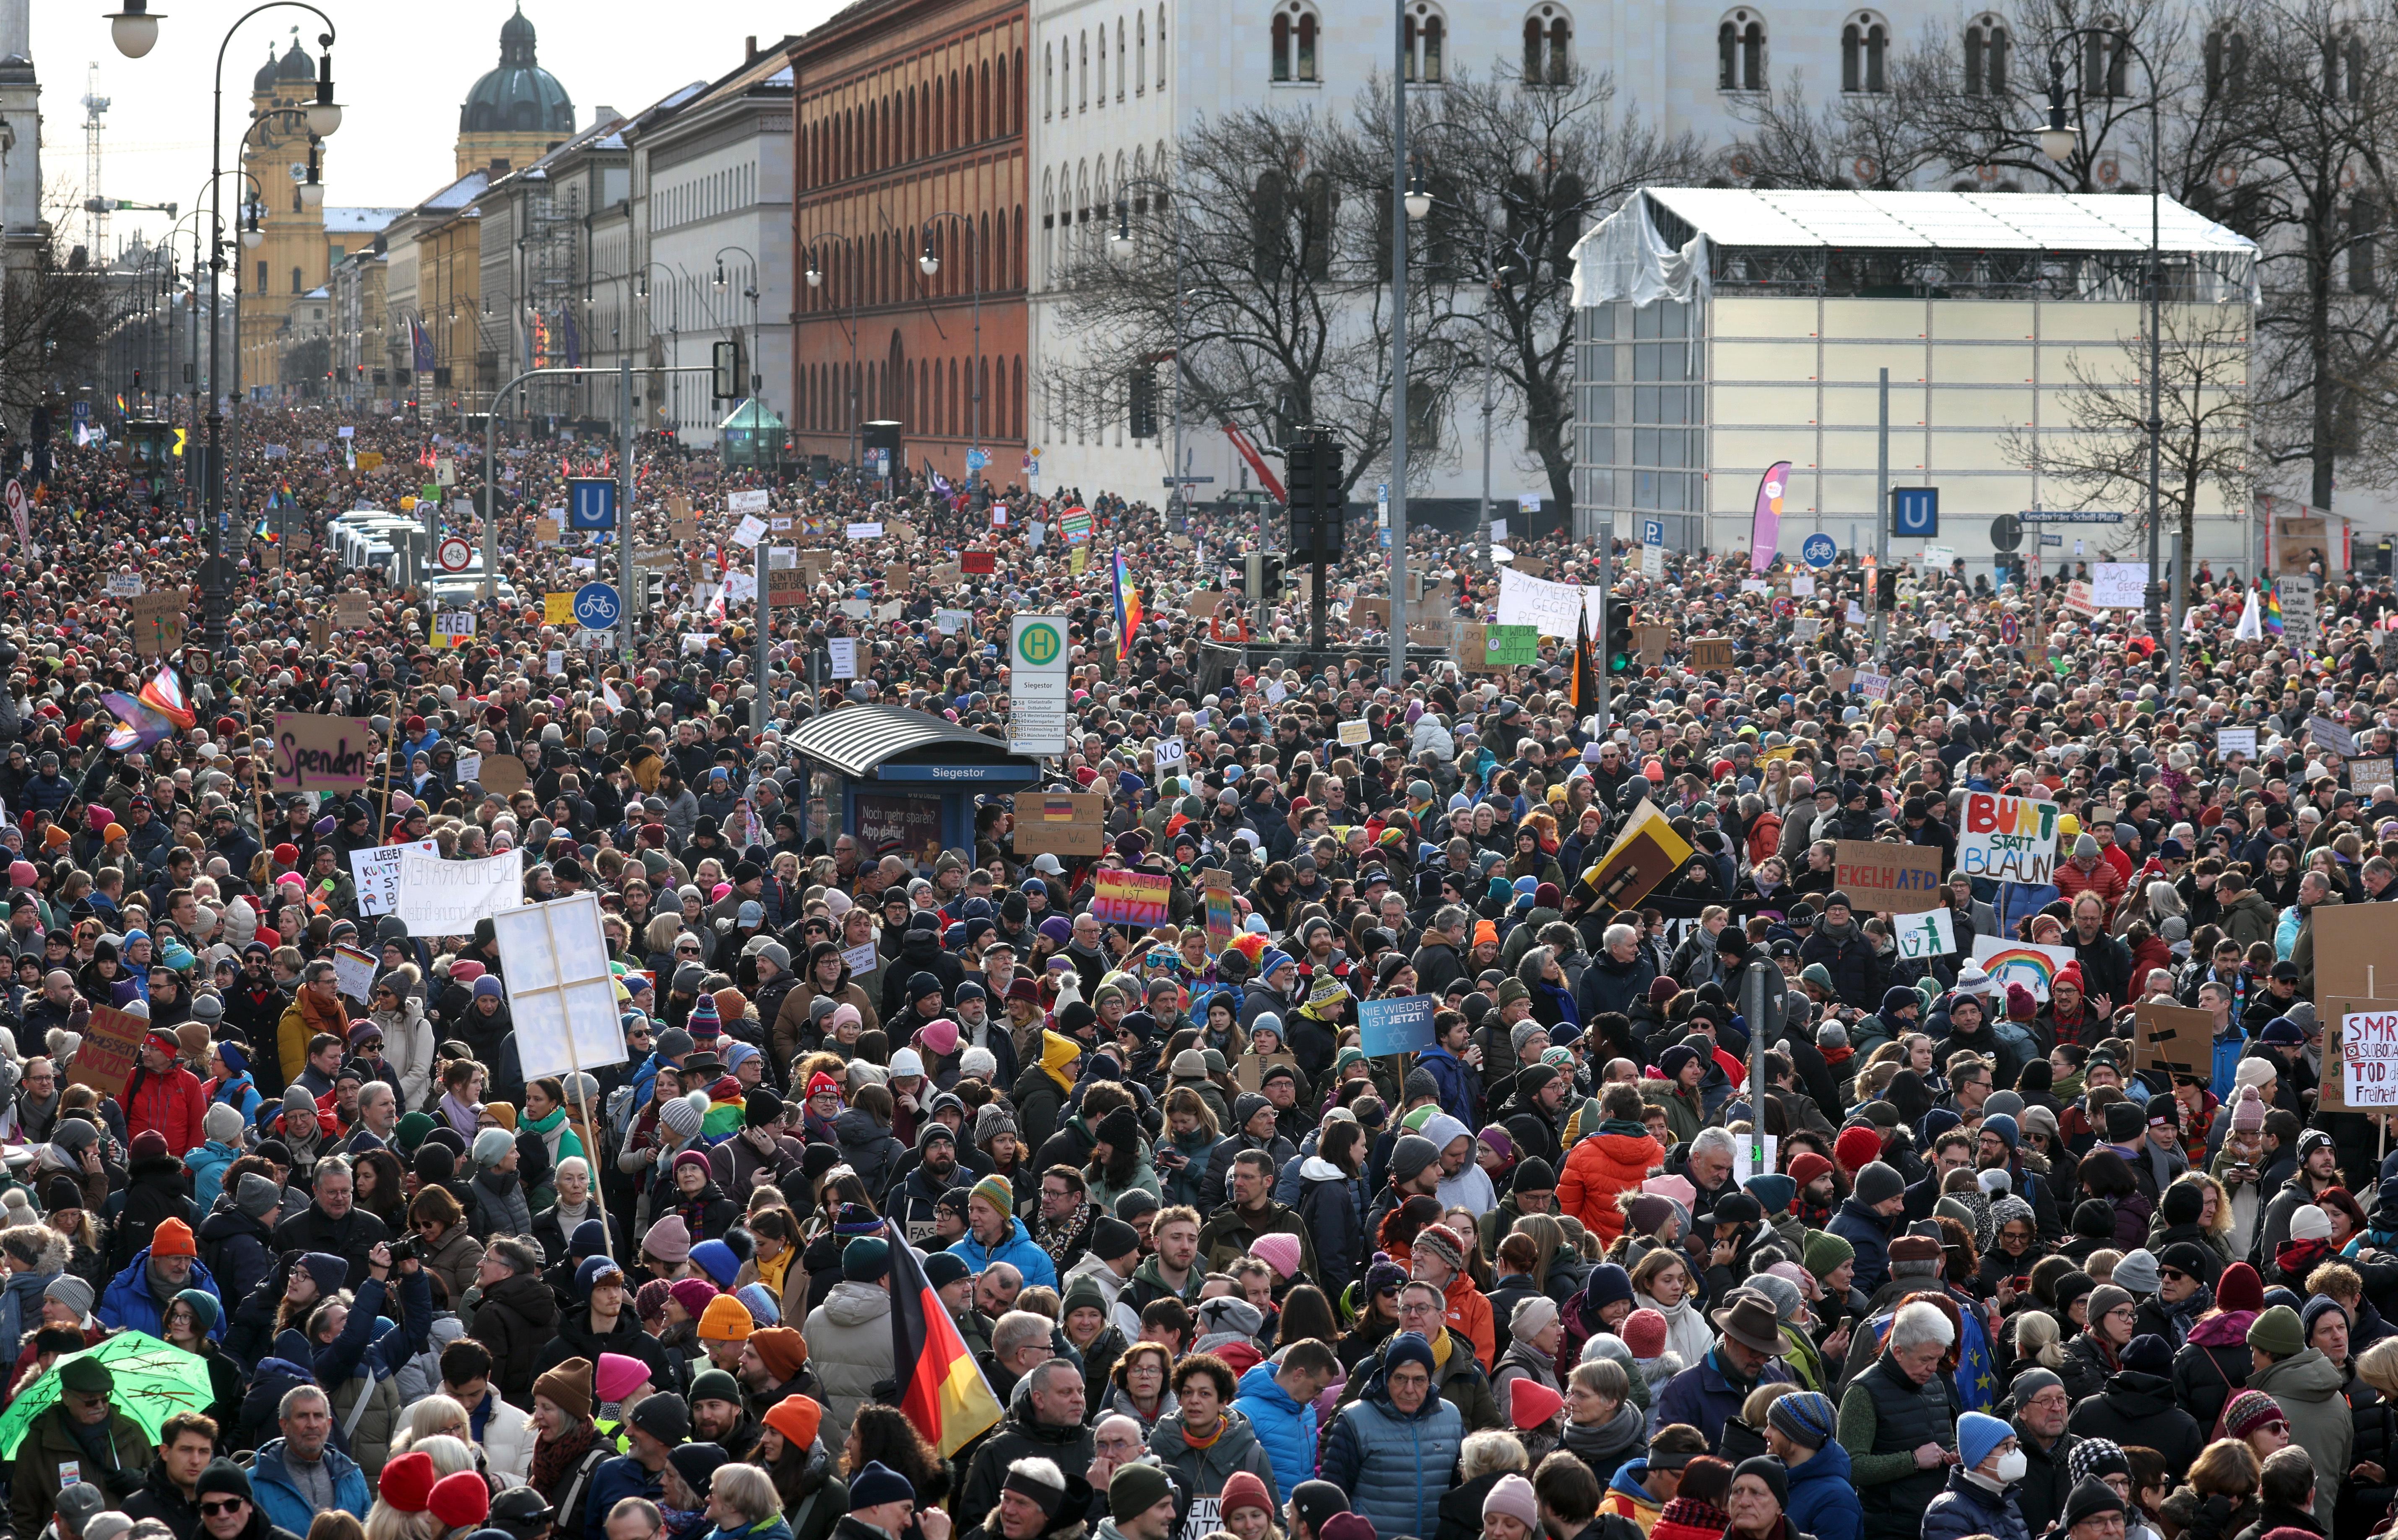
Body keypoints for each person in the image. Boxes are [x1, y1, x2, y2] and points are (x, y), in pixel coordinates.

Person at [1319, 1332, 1466, 1540]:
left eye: (1419, 1380)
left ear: (1429, 1381)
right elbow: (1334, 1494)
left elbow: (1462, 1487)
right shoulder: (1354, 1420)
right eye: (1400, 1378)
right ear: (1387, 1377)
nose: (1409, 1389)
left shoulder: (1451, 1417)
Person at [1835, 1299, 1956, 1540]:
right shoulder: (1863, 1391)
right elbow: (1851, 1466)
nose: (1933, 1368)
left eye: (1938, 1359)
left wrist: (1954, 1454)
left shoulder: (1934, 1383)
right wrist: (1912, 1460)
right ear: (1898, 1351)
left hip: (1939, 1520)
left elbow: (1945, 1440)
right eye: (1925, 1360)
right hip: (1889, 1528)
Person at [10, 1351, 151, 1536]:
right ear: (66, 1397)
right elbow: (25, 1516)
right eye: (90, 1401)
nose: (100, 1406)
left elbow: (161, 1487)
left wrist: (143, 1480)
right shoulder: (38, 1444)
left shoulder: (130, 1431)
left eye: (105, 1398)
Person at [246, 1386, 369, 1537]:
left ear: (329, 1424)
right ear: (284, 1425)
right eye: (303, 1416)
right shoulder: (254, 1482)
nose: (312, 1424)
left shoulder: (352, 1475)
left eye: (318, 1416)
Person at [1919, 1412, 2031, 1540]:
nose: (2016, 1454)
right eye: (2008, 1447)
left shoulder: (2007, 1502)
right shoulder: (1948, 1511)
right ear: (1982, 1459)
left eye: (2016, 1446)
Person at [123, 1412, 220, 1540]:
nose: (196, 1460)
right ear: (165, 1452)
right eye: (186, 1450)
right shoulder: (136, 1507)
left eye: (203, 1452)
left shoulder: (224, 1506)